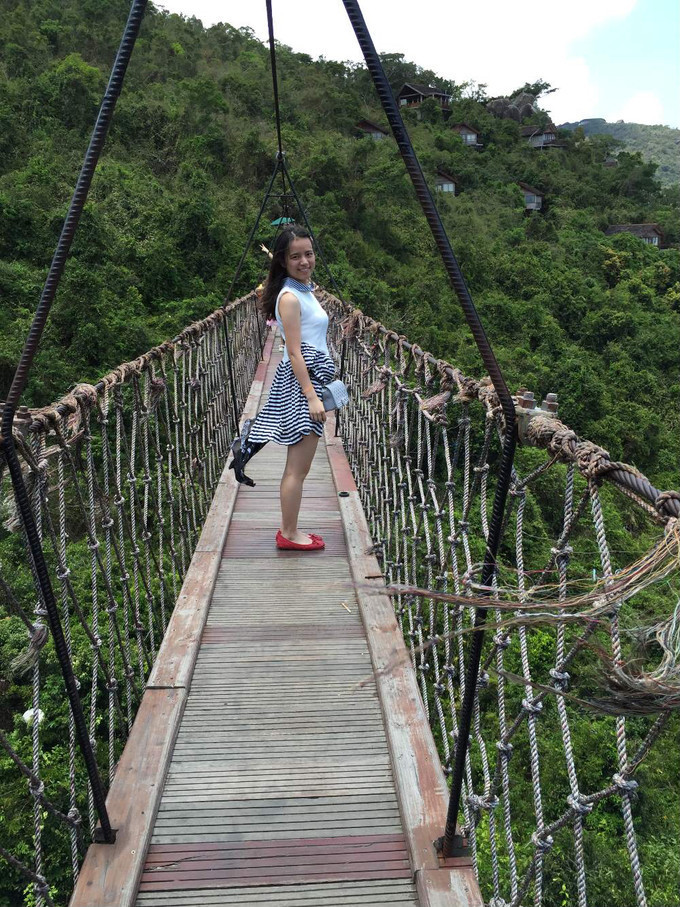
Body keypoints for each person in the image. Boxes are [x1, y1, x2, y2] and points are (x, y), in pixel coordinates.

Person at [229, 226, 335, 551]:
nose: (304, 261)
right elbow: (293, 351)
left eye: (309, 253)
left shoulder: (305, 289)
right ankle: (289, 534)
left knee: (297, 466)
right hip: (304, 385)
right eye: (296, 256)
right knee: (297, 468)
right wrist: (312, 397)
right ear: (283, 261)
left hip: (314, 380)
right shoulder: (290, 298)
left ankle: (290, 529)